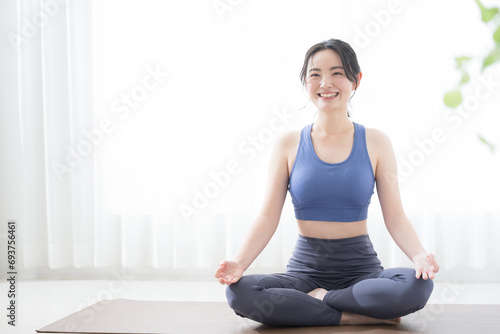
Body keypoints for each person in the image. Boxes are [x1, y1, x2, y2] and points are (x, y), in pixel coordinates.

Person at [214, 38, 439, 327]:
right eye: (315, 75)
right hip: (304, 274)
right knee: (240, 293)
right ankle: (349, 314)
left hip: (362, 271)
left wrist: (419, 256)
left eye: (337, 73)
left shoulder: (377, 142)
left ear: (356, 80)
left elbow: (394, 215)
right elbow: (267, 216)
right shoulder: (288, 144)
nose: (325, 83)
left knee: (417, 286)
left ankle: (321, 300)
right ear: (305, 83)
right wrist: (240, 263)